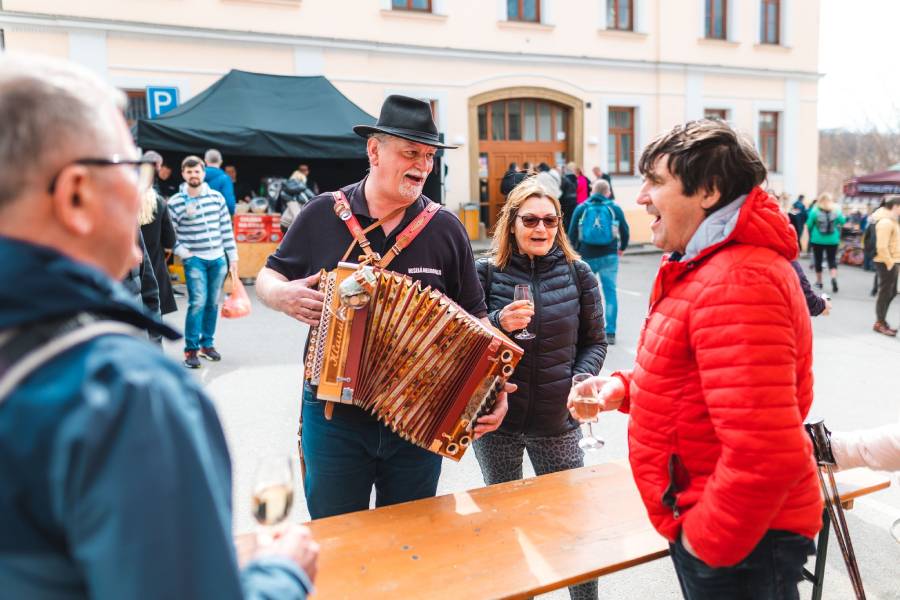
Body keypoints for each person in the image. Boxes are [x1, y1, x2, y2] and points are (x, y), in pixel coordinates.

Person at [0, 53, 317, 600]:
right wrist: (280, 574)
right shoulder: (122, 392)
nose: (145, 193)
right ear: (77, 194)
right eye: (132, 171)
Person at [570, 119, 822, 599]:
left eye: (656, 181)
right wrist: (624, 388)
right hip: (727, 530)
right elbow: (698, 381)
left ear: (708, 190)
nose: (641, 197)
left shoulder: (738, 278)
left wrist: (705, 541)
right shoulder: (706, 261)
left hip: (740, 543)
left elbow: (767, 452)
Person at [256, 95, 511, 520]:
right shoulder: (325, 212)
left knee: (410, 541)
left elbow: (477, 318)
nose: (423, 165)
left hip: (419, 413)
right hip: (333, 413)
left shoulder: (445, 227)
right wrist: (280, 295)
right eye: (411, 152)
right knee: (338, 538)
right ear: (374, 151)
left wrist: (493, 388)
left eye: (429, 155)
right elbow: (269, 275)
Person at [474, 178, 606, 600]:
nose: (540, 229)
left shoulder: (578, 273)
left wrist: (579, 380)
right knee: (504, 528)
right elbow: (460, 341)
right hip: (498, 424)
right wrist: (496, 323)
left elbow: (595, 341)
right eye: (530, 219)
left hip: (557, 422)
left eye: (550, 220)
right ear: (512, 223)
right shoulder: (485, 272)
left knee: (572, 530)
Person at [168, 155, 239, 368]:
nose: (193, 175)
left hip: (218, 259)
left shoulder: (217, 198)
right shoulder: (175, 202)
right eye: (189, 172)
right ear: (183, 174)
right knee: (197, 302)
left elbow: (226, 230)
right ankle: (191, 349)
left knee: (211, 303)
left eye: (197, 171)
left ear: (203, 172)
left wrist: (232, 257)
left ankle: (207, 344)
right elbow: (170, 234)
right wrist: (184, 253)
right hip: (195, 260)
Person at [568, 179, 630, 344]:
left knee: (584, 294)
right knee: (610, 293)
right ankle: (610, 333)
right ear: (608, 192)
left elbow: (571, 232)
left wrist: (573, 253)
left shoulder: (581, 208)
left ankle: (586, 331)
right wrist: (621, 248)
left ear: (591, 191)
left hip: (586, 256)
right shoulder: (614, 208)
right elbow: (625, 230)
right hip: (610, 255)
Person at [140, 151, 177, 316]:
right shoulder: (160, 203)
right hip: (154, 270)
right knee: (154, 325)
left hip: (128, 274)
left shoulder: (121, 203)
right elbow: (170, 241)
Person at [870, 196, 900, 336]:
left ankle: (882, 321)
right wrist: (890, 263)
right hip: (886, 261)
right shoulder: (886, 222)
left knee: (891, 292)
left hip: (891, 260)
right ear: (895, 206)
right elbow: (881, 246)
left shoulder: (891, 220)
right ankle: (879, 323)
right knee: (885, 292)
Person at [806, 192, 846, 293]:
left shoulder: (814, 210)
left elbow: (809, 224)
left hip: (817, 239)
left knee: (818, 260)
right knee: (832, 260)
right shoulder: (836, 210)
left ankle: (819, 282)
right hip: (833, 240)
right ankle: (833, 278)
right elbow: (843, 222)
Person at [204, 148, 237, 215]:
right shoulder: (225, 178)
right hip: (216, 218)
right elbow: (229, 203)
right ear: (221, 161)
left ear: (205, 160)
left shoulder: (196, 176)